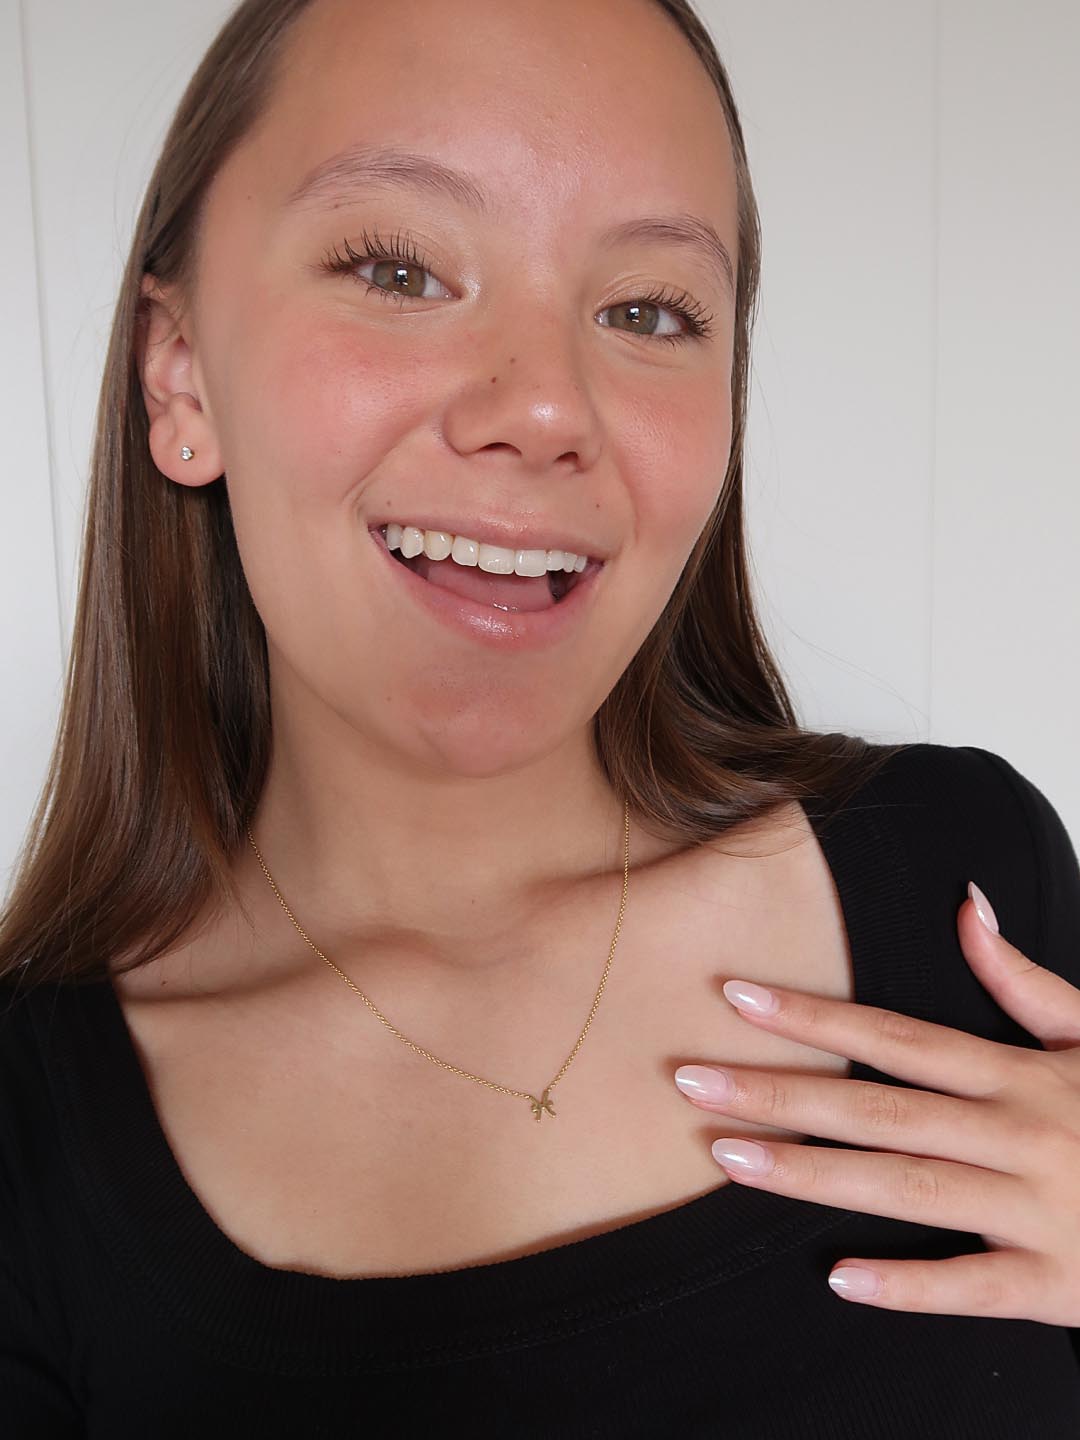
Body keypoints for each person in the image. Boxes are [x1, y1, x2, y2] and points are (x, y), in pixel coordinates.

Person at [2, 0, 1079, 1433]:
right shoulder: (27, 1150)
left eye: (648, 312)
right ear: (180, 371)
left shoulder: (968, 883)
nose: (547, 407)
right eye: (398, 269)